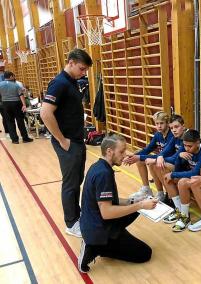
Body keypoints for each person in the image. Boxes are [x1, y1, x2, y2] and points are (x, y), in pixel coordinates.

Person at [78, 134, 157, 273]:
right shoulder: (104, 174)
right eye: (121, 151)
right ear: (109, 151)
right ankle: (95, 247)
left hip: (93, 222)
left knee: (136, 207)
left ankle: (109, 239)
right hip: (99, 228)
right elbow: (107, 212)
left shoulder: (99, 166)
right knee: (145, 253)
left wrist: (132, 201)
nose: (125, 155)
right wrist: (140, 205)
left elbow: (108, 200)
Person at [40, 48, 93, 237]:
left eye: (85, 70)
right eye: (81, 69)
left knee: (77, 180)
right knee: (71, 184)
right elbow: (45, 113)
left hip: (77, 141)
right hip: (68, 143)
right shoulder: (59, 83)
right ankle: (71, 223)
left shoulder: (72, 82)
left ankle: (76, 215)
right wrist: (62, 140)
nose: (83, 73)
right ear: (70, 62)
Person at [162, 129, 201, 232]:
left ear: (198, 142)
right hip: (194, 178)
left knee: (182, 181)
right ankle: (180, 212)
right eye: (185, 145)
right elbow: (177, 168)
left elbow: (195, 173)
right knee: (166, 175)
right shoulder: (184, 148)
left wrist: (173, 174)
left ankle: (184, 217)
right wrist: (179, 157)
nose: (187, 148)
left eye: (190, 146)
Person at [123, 111, 173, 201]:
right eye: (157, 124)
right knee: (141, 158)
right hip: (161, 159)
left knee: (153, 163)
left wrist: (138, 157)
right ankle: (148, 189)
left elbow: (165, 155)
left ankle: (169, 194)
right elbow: (147, 149)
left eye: (161, 123)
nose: (159, 126)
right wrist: (133, 156)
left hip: (170, 161)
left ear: (168, 123)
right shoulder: (158, 135)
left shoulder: (172, 136)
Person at [0, 71, 32, 143]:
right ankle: (25, 138)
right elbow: (21, 96)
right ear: (11, 76)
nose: (14, 78)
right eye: (13, 76)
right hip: (16, 103)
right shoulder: (16, 85)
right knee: (20, 121)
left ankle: (14, 140)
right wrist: (24, 105)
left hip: (5, 104)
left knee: (10, 122)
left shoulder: (0, 85)